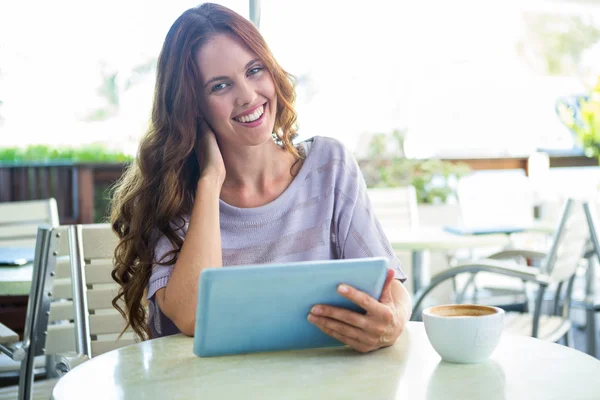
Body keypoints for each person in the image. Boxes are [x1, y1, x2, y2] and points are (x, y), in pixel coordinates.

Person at [110, 2, 412, 353]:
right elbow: (193, 315)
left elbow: (390, 284)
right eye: (220, 86)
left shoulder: (329, 165)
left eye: (254, 70)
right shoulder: (177, 192)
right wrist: (210, 179)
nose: (248, 96)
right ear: (191, 106)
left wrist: (394, 319)